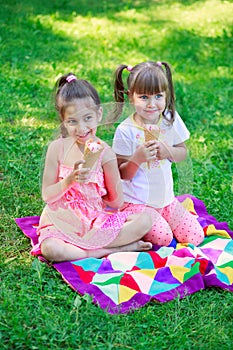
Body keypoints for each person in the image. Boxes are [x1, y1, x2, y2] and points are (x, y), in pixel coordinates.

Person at [33, 73, 153, 262]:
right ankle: (109, 251)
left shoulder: (106, 153)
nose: (81, 128)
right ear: (63, 120)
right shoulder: (56, 149)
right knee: (50, 249)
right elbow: (47, 195)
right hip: (63, 220)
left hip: (96, 220)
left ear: (98, 114)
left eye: (87, 118)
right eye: (72, 121)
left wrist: (102, 187)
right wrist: (70, 180)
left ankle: (84, 247)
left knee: (145, 220)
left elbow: (116, 202)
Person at [112, 61, 204, 247]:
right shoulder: (125, 130)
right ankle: (130, 224)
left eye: (158, 96)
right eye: (144, 97)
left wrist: (167, 151)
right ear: (131, 97)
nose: (152, 104)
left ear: (166, 95)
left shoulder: (170, 120)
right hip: (138, 204)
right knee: (163, 239)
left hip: (166, 201)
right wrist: (137, 158)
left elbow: (182, 153)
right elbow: (121, 174)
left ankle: (162, 219)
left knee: (195, 237)